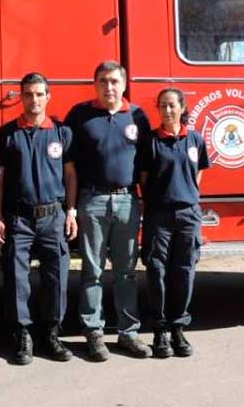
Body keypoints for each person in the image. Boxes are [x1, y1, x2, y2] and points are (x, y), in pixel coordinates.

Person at [65, 60, 152, 361]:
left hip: (128, 201)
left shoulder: (137, 116)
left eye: (114, 81)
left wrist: (146, 202)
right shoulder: (80, 115)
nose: (109, 87)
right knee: (92, 271)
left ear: (124, 84)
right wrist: (72, 208)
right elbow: (70, 168)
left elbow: (144, 166)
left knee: (127, 272)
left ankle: (129, 333)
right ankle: (94, 333)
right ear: (95, 84)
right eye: (103, 81)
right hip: (92, 201)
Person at [0, 72, 78, 365]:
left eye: (39, 94)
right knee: (17, 279)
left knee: (57, 276)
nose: (34, 99)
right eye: (28, 94)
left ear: (48, 96)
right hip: (19, 218)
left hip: (53, 216)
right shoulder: (6, 135)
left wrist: (71, 210)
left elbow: (70, 175)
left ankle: (51, 333)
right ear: (21, 97)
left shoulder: (62, 133)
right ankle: (22, 334)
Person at [140, 88, 209, 358]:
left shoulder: (195, 140)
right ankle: (159, 330)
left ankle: (178, 328)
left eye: (172, 106)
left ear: (182, 108)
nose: (167, 111)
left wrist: (186, 194)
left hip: (189, 215)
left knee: (184, 270)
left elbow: (199, 172)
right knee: (156, 271)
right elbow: (143, 178)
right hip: (159, 215)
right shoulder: (150, 142)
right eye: (163, 106)